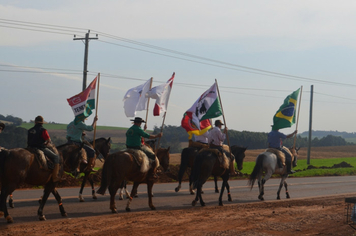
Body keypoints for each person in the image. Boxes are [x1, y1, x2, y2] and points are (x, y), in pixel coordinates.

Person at [27, 116, 61, 182]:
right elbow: (48, 140)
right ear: (42, 123)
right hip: (40, 148)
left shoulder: (30, 130)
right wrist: (46, 143)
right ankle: (55, 177)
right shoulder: (43, 130)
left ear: (35, 122)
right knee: (56, 157)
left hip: (29, 148)